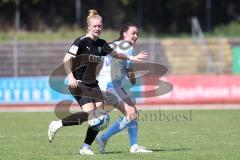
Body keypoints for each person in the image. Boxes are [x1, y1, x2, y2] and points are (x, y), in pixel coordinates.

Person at [47, 9, 147, 155]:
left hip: (93, 84)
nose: (97, 29)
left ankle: (85, 147)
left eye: (99, 26)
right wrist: (71, 77)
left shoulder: (102, 43)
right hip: (79, 82)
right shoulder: (81, 41)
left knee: (98, 117)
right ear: (89, 27)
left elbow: (116, 54)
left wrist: (132, 58)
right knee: (92, 115)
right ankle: (57, 124)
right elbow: (66, 60)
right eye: (95, 26)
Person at [95, 23, 153, 153]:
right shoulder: (127, 47)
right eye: (133, 33)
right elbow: (129, 71)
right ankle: (104, 138)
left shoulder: (113, 45)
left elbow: (101, 62)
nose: (136, 36)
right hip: (111, 85)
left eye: (137, 34)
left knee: (132, 112)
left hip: (104, 84)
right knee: (131, 113)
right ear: (124, 34)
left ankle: (134, 146)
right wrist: (132, 77)